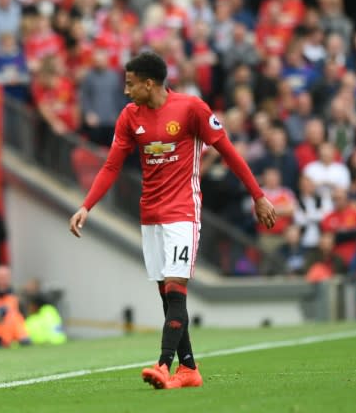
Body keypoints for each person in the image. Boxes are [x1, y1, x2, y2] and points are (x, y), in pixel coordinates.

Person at [69, 51, 276, 390]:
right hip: (150, 213)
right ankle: (190, 370)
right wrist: (86, 206)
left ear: (149, 84)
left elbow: (228, 152)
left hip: (183, 210)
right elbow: (110, 166)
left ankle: (164, 364)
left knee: (176, 290)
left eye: (130, 84)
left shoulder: (191, 109)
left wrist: (258, 195)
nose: (126, 91)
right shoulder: (129, 116)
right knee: (167, 297)